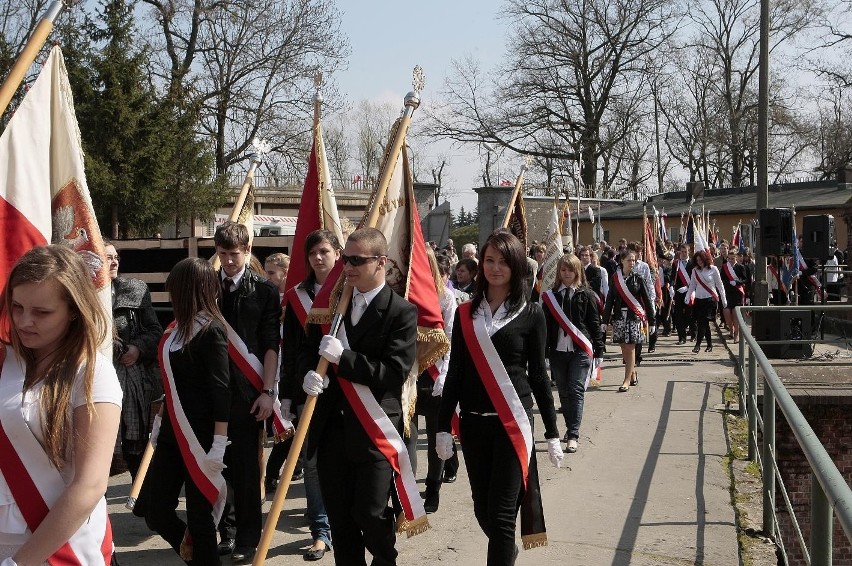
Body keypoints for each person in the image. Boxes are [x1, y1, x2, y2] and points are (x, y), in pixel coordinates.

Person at [437, 229, 564, 565]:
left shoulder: (532, 313)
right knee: (484, 510)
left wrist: (552, 432)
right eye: (489, 261)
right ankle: (506, 552)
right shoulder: (466, 315)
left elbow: (538, 375)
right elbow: (456, 374)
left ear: (516, 265)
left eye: (503, 262)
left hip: (512, 426)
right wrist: (441, 427)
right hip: (474, 427)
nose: (495, 268)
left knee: (503, 514)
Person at [300, 227, 418, 566]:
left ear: (381, 262)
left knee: (370, 514)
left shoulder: (400, 312)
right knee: (342, 524)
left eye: (356, 260)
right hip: (332, 432)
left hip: (373, 431)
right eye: (346, 259)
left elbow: (394, 373)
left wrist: (345, 359)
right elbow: (307, 353)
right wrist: (307, 376)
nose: (347, 267)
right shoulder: (332, 304)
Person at [0, 245, 121, 562]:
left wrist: (18, 563)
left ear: (73, 311)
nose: (25, 321)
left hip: (57, 550)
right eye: (17, 306)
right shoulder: (4, 362)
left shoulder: (92, 373)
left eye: (42, 312)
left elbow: (90, 485)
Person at [143, 258, 230, 563]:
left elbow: (221, 391)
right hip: (171, 434)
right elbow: (171, 385)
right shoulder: (172, 330)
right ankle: (192, 552)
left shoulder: (212, 331)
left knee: (200, 518)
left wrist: (219, 444)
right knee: (156, 512)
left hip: (201, 437)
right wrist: (159, 420)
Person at [214, 222, 282, 563]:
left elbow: (271, 344)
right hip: (213, 392)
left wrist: (268, 391)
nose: (228, 261)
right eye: (223, 254)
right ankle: (224, 532)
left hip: (248, 393)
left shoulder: (265, 291)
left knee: (245, 469)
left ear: (247, 250)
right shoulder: (207, 287)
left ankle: (247, 538)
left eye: (234, 254)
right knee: (217, 467)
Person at [278, 229, 340, 561]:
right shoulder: (298, 296)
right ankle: (321, 532)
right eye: (313, 252)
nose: (318, 258)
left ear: (337, 253)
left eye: (325, 251)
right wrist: (288, 394)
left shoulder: (351, 290)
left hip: (348, 393)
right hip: (310, 389)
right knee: (312, 463)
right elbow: (293, 351)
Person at [104, 241, 163, 481]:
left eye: (116, 257)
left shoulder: (135, 290)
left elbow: (154, 330)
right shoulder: (81, 294)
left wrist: (137, 348)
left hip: (132, 380)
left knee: (135, 446)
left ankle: (145, 504)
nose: (114, 261)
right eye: (108, 257)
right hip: (99, 376)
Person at [542, 253, 604, 453]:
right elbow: (544, 327)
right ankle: (570, 428)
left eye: (570, 269)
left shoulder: (586, 294)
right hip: (558, 350)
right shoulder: (551, 297)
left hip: (580, 349)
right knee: (563, 392)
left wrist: (599, 350)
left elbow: (594, 324)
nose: (566, 273)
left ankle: (573, 434)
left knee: (576, 390)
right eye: (563, 269)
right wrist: (543, 351)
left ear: (577, 271)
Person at [411, 248, 458, 513]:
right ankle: (405, 489)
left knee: (435, 439)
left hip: (436, 375)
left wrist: (445, 374)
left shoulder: (446, 298)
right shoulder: (403, 294)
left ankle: (433, 489)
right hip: (410, 377)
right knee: (408, 440)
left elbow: (450, 338)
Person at [602, 250, 655, 392]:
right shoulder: (615, 278)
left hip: (634, 317)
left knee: (630, 347)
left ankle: (626, 380)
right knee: (624, 348)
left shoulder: (638, 278)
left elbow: (647, 300)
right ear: (622, 261)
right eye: (629, 260)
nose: (632, 263)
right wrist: (605, 320)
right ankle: (632, 372)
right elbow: (609, 301)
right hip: (619, 317)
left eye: (634, 260)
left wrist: (652, 321)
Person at [686, 251, 726, 353]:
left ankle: (698, 345)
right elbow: (692, 285)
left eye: (701, 260)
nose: (699, 262)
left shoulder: (713, 269)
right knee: (703, 323)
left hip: (710, 299)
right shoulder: (695, 271)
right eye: (697, 260)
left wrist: (723, 299)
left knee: (703, 322)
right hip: (699, 300)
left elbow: (720, 285)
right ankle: (709, 344)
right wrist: (688, 295)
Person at [721, 249, 747, 342]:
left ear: (736, 257)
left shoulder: (740, 267)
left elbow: (745, 280)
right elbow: (721, 279)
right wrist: (728, 283)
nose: (731, 260)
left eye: (732, 258)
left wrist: (736, 282)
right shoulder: (724, 267)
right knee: (727, 312)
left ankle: (737, 334)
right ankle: (731, 330)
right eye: (729, 259)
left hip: (737, 293)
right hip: (728, 292)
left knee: (735, 314)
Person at [671, 244, 694, 345]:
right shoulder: (676, 264)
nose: (683, 254)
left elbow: (695, 279)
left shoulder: (693, 263)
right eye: (682, 252)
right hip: (679, 292)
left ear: (689, 252)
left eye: (685, 252)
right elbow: (672, 277)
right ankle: (682, 337)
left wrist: (688, 287)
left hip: (690, 292)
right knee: (678, 315)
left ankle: (693, 332)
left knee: (689, 315)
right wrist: (671, 287)